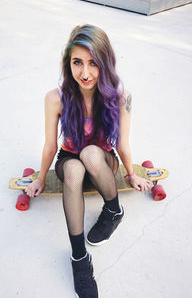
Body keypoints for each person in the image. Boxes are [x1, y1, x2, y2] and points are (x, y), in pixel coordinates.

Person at [25, 24, 151, 298]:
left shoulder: (121, 97)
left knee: (90, 153)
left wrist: (131, 174)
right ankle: (80, 259)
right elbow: (50, 145)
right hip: (69, 158)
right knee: (73, 167)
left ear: (105, 63)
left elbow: (122, 144)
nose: (85, 73)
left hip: (102, 159)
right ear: (67, 63)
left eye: (93, 63)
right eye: (77, 62)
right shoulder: (55, 98)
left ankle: (114, 210)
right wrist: (38, 178)